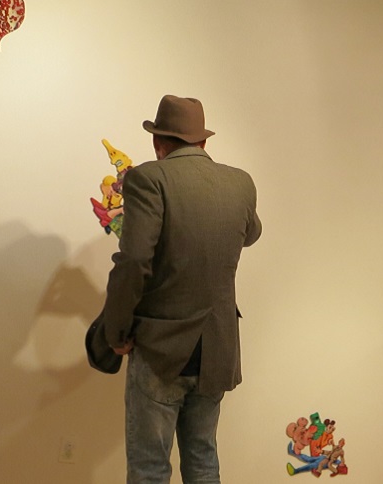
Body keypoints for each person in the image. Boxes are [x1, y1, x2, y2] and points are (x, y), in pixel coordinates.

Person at [99, 95, 262, 483]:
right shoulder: (241, 182)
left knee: (150, 469)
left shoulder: (149, 178)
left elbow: (134, 261)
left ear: (158, 142)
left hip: (161, 348)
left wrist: (116, 332)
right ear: (202, 142)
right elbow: (251, 233)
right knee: (203, 460)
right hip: (216, 349)